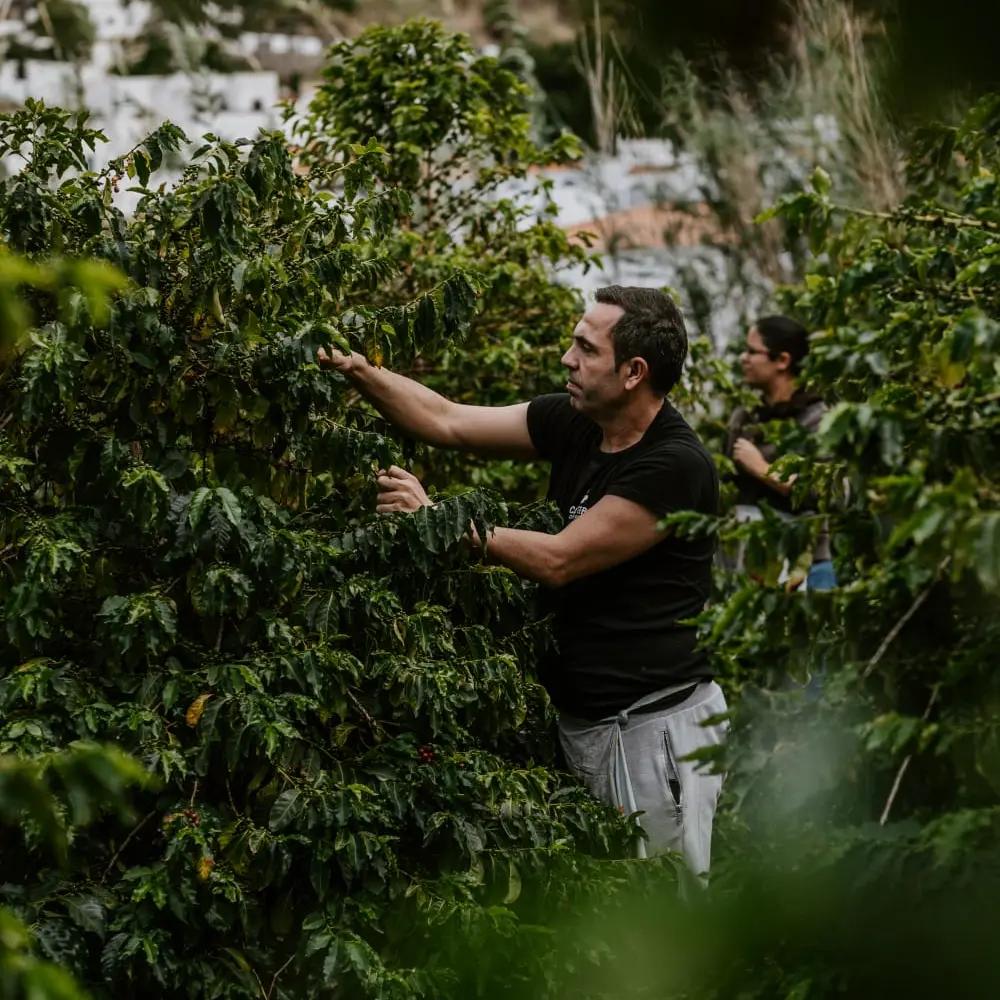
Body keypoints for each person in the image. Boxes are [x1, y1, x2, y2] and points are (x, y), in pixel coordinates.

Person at [318, 286, 726, 874]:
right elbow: (448, 421)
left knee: (661, 904)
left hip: (651, 729)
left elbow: (559, 559)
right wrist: (358, 368)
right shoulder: (579, 422)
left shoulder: (673, 466)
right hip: (586, 720)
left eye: (586, 348)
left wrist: (440, 520)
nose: (568, 358)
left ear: (633, 372)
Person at [726, 316, 835, 591]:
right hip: (747, 558)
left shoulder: (818, 419)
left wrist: (763, 469)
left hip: (804, 561)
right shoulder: (744, 417)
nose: (743, 358)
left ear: (782, 360)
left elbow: (825, 494)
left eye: (752, 351)